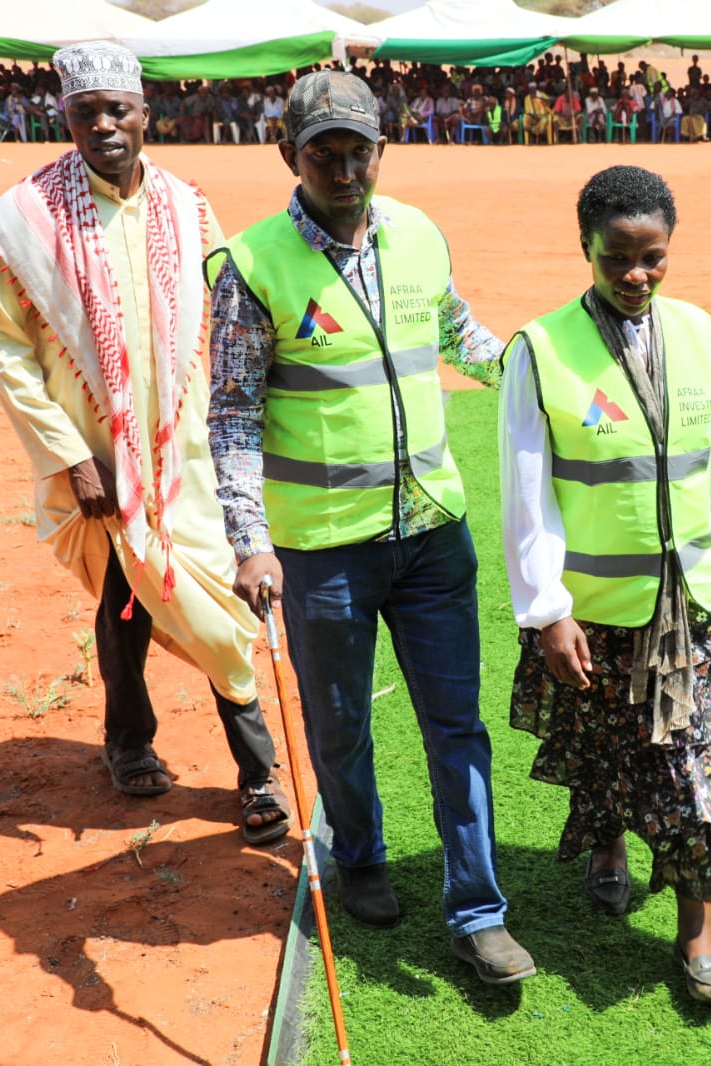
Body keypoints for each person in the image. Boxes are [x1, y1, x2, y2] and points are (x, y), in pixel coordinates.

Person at [204, 69, 533, 984]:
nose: (345, 170)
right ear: (289, 156)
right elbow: (228, 415)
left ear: (382, 151)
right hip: (320, 551)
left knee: (456, 726)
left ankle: (477, 909)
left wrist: (544, 379)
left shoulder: (421, 235)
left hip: (432, 532)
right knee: (341, 727)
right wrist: (250, 539)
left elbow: (464, 337)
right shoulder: (251, 265)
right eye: (324, 154)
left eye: (360, 152)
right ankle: (361, 859)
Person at [0, 43, 289, 847]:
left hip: (188, 452)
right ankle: (129, 740)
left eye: (119, 109)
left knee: (218, 596)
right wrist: (66, 456)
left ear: (146, 113)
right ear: (66, 116)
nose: (105, 125)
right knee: (124, 602)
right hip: (99, 458)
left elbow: (226, 316)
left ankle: (256, 772)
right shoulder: (26, 216)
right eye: (88, 111)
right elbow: (5, 347)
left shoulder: (189, 206)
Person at [498, 164, 711, 1004]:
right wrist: (546, 611)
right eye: (618, 259)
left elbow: (705, 448)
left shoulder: (695, 330)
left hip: (691, 600)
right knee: (604, 743)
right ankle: (606, 848)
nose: (637, 276)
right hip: (598, 607)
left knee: (693, 766)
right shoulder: (539, 350)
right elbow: (525, 491)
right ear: (586, 249)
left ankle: (694, 927)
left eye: (653, 257)